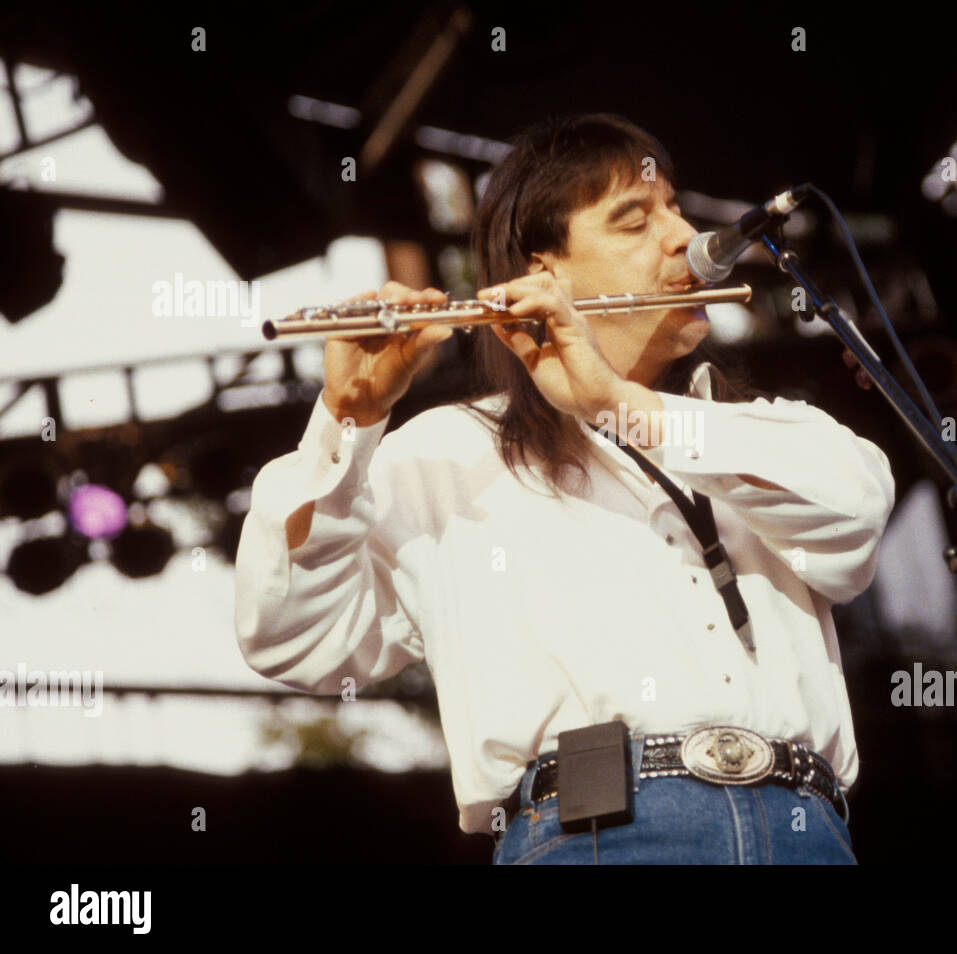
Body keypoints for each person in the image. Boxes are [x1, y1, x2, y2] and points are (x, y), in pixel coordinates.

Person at [234, 113, 895, 864]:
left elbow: (857, 516)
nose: (682, 237)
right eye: (634, 220)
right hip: (595, 835)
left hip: (804, 828)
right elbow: (289, 636)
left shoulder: (759, 430)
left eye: (675, 209)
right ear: (544, 274)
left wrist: (616, 406)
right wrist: (346, 425)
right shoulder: (450, 452)